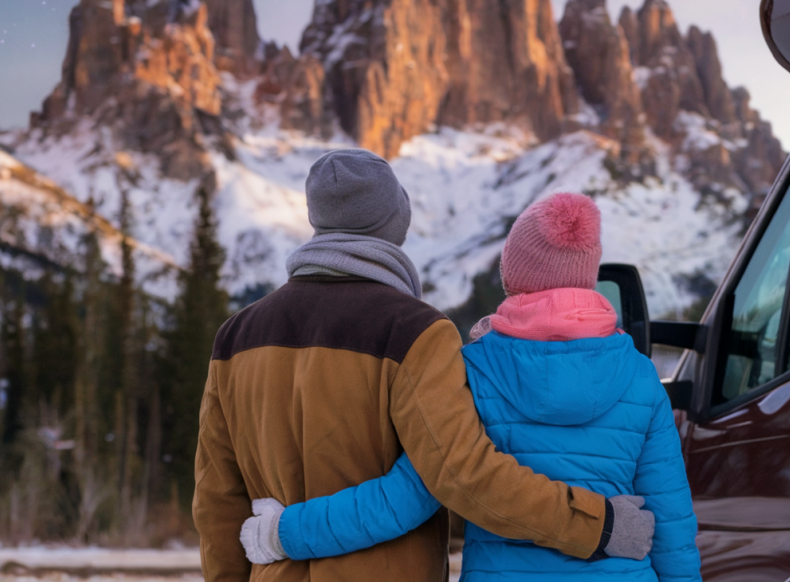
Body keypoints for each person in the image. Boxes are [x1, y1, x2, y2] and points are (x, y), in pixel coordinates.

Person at [194, 150, 655, 582]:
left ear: (317, 220)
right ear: (398, 221)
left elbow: (218, 501)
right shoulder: (415, 331)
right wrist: (599, 524)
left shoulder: (235, 336)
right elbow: (464, 475)